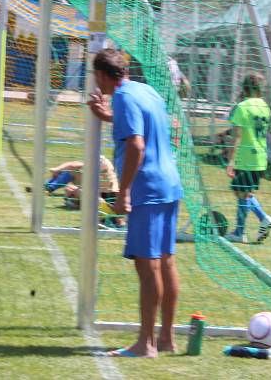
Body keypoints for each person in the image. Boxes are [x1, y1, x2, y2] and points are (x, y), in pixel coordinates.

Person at [87, 48, 183, 358]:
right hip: (169, 183)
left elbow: (137, 146)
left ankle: (146, 343)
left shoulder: (123, 96)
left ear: (102, 75)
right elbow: (143, 125)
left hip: (148, 188)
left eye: (96, 77)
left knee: (148, 265)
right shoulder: (145, 90)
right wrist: (108, 117)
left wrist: (124, 191)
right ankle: (166, 338)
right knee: (166, 261)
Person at [225, 73, 271, 244]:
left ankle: (242, 231)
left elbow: (237, 136)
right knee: (243, 192)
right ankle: (257, 222)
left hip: (246, 156)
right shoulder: (265, 107)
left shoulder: (243, 107)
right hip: (261, 157)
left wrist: (231, 160)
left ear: (244, 87)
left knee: (242, 193)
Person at [37, 155, 125, 227]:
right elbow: (73, 165)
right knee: (71, 179)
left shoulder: (104, 169)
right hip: (98, 196)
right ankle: (48, 188)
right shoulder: (98, 162)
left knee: (73, 190)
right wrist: (57, 169)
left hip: (107, 199)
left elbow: (102, 190)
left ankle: (107, 219)